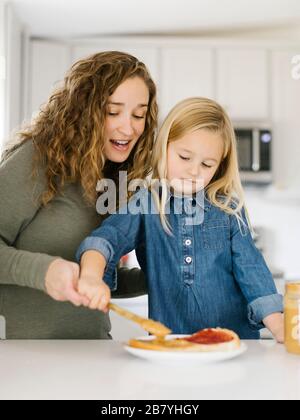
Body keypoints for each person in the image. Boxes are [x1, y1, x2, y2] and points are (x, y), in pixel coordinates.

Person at [76, 97, 284, 341]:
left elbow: (253, 272)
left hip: (233, 344)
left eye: (207, 164)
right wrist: (90, 275)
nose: (194, 170)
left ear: (219, 167)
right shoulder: (147, 203)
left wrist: (279, 327)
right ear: (164, 147)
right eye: (184, 157)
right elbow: (107, 238)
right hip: (171, 346)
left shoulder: (228, 208)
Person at [0, 51, 158, 339]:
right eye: (113, 112)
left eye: (139, 114)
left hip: (92, 351)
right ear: (83, 111)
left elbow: (94, 279)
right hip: (21, 358)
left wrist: (159, 277)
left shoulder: (112, 176)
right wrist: (43, 271)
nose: (129, 127)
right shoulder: (36, 160)